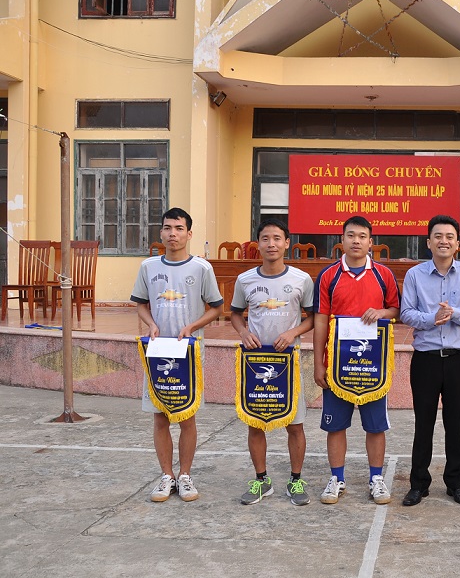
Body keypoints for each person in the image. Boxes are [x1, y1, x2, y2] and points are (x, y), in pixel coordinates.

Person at [131, 207, 224, 502]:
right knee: (160, 417)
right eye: (168, 228)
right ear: (161, 232)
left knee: (187, 416)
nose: (173, 234)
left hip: (189, 352)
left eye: (179, 228)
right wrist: (151, 324)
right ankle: (166, 476)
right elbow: (141, 304)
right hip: (158, 352)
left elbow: (217, 308)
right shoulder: (148, 267)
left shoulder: (201, 268)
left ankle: (184, 475)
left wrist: (192, 327)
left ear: (189, 234)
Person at [312, 216, 400, 505]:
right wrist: (318, 362)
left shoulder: (384, 275)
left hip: (373, 365)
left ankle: (376, 479)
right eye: (351, 235)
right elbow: (320, 320)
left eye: (362, 236)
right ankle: (336, 479)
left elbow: (395, 309)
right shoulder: (328, 276)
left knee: (375, 426)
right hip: (338, 364)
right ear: (342, 240)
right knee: (336, 425)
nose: (356, 241)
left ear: (371, 242)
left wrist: (381, 312)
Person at [399, 215, 460, 507]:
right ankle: (418, 484)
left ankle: (456, 484)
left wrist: (454, 313)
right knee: (423, 423)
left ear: (457, 243)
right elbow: (406, 313)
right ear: (428, 242)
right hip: (426, 360)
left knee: (455, 423)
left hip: (458, 360)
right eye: (438, 236)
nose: (443, 241)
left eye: (449, 236)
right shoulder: (415, 275)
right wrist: (431, 318)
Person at [231, 219, 315, 506]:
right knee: (255, 423)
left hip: (288, 364)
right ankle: (261, 480)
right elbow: (235, 314)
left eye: (277, 238)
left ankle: (296, 480)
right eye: (265, 238)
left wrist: (292, 332)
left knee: (295, 425)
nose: (271, 244)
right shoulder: (245, 280)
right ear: (258, 244)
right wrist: (243, 333)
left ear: (287, 243)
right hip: (256, 363)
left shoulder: (301, 279)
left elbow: (313, 318)